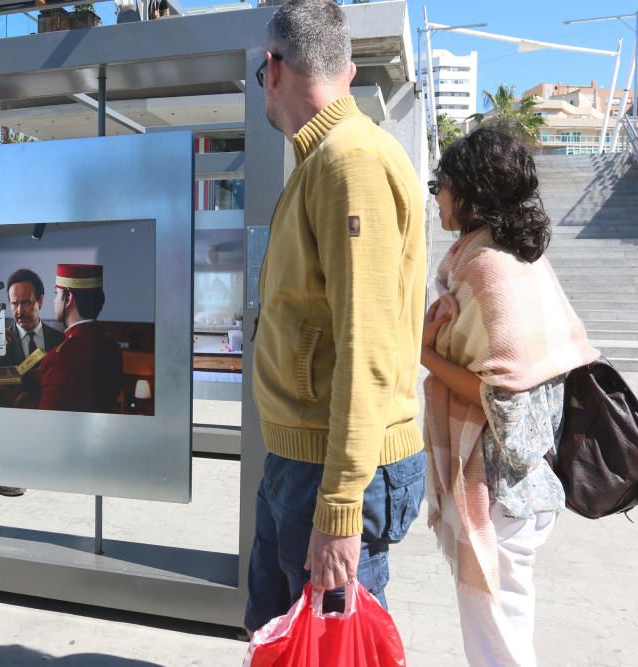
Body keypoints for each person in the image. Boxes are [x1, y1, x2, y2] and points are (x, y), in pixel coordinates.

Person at [244, 0, 427, 633]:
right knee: (275, 634)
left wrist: (341, 508)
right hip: (305, 456)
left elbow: (367, 344)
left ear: (272, 69)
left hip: (337, 466)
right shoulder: (323, 158)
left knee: (331, 647)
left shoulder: (349, 163)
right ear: (345, 71)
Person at [421, 128, 598, 667]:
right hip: (527, 489)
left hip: (499, 489)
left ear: (471, 191)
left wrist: (422, 352)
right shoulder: (520, 260)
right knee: (508, 632)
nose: (436, 195)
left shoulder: (486, 268)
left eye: (440, 183)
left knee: (497, 646)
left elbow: (503, 397)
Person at [35, 264, 122, 413]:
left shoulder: (59, 357)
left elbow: (46, 421)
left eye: (57, 294)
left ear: (68, 298)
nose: (54, 301)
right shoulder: (113, 347)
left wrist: (18, 396)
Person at [0, 268, 65, 408]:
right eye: (14, 304)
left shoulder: (59, 340)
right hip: (8, 425)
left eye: (26, 302)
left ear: (40, 300)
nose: (19, 311)